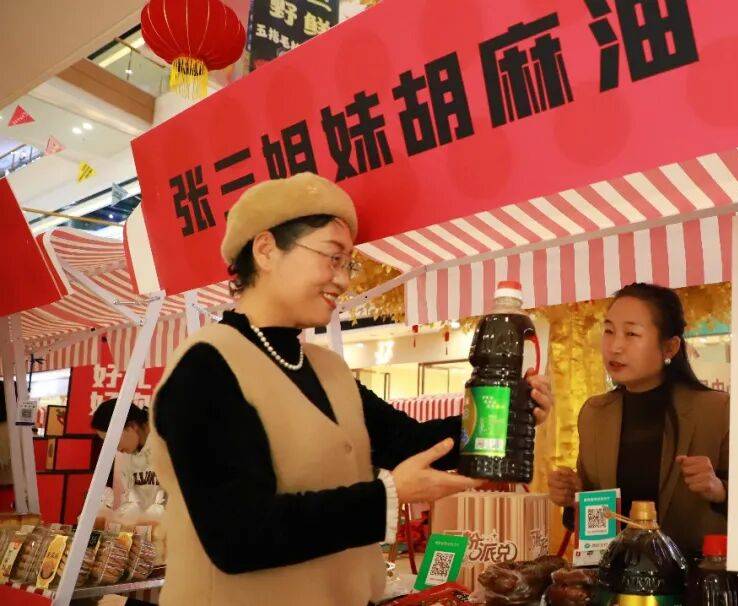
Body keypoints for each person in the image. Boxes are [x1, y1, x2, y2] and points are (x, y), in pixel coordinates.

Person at [147, 173, 553, 606]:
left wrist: (505, 416)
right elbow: (240, 535)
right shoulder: (207, 367)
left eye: (348, 265)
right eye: (332, 257)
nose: (342, 281)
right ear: (266, 250)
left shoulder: (327, 368)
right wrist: (387, 497)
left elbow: (407, 442)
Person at [547, 283, 729, 555]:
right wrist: (574, 498)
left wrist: (719, 490)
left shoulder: (716, 410)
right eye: (609, 331)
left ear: (670, 347)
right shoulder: (595, 414)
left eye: (631, 333)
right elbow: (593, 520)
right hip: (616, 572)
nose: (615, 347)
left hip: (694, 575)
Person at [91, 398, 165, 522]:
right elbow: (133, 501)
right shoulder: (128, 454)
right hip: (145, 529)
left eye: (113, 440)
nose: (114, 447)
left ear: (132, 426)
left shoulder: (167, 444)